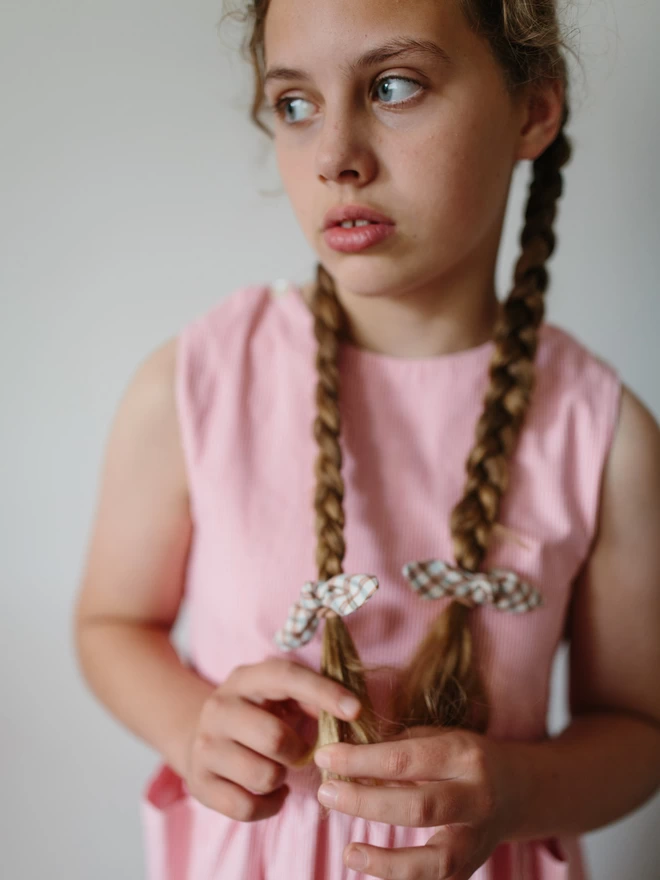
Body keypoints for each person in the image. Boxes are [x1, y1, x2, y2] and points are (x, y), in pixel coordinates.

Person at [73, 0, 660, 878]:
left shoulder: (601, 435)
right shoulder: (195, 384)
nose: (336, 156)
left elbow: (639, 732)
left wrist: (519, 790)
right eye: (297, 104)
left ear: (533, 108)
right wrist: (190, 725)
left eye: (393, 86)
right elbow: (111, 621)